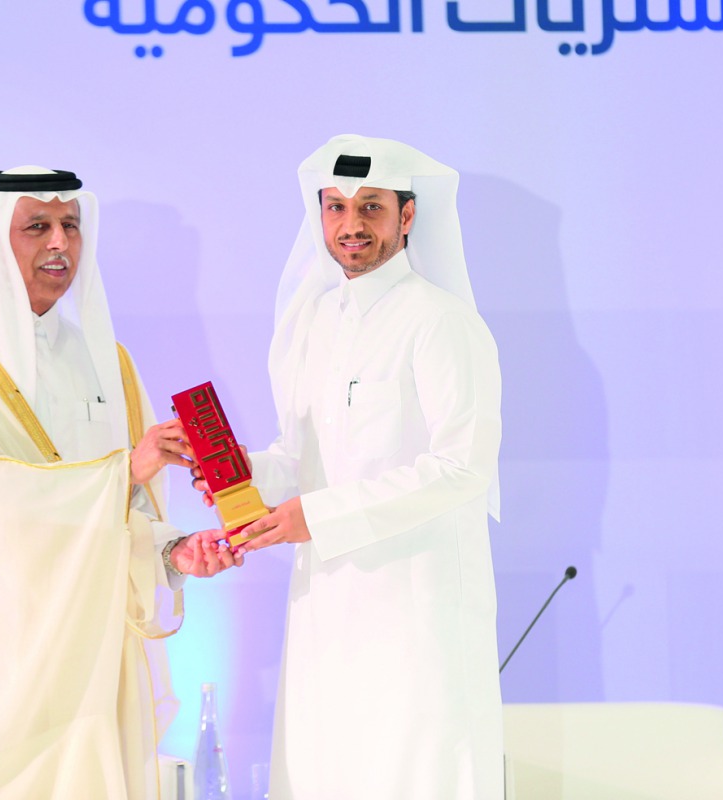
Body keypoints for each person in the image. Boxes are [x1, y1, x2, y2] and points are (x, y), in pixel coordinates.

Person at [0, 166, 240, 800]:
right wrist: (128, 469)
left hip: (89, 654)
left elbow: (130, 505)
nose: (60, 243)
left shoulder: (107, 360)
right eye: (36, 226)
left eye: (71, 225)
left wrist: (173, 552)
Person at [198, 135, 504, 798]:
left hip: (415, 616)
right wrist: (234, 472)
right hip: (326, 611)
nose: (351, 225)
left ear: (408, 216)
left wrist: (314, 515)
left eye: (370, 206)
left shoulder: (441, 322)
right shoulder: (315, 323)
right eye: (336, 208)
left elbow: (461, 468)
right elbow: (299, 460)